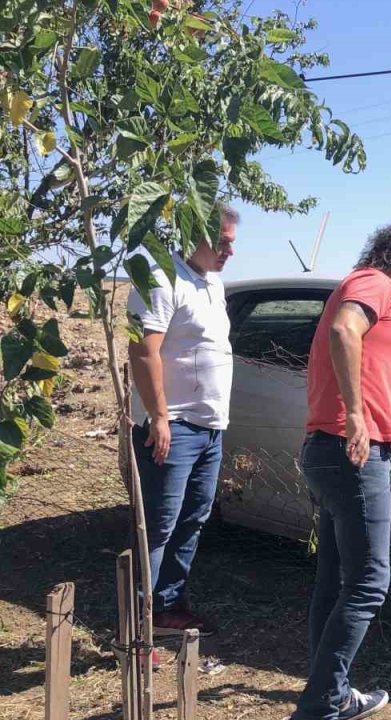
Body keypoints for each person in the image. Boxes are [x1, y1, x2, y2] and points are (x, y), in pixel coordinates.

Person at [292, 223, 391, 720]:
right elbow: (343, 330)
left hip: (339, 450)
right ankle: (320, 707)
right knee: (370, 582)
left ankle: (331, 694)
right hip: (347, 449)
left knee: (336, 581)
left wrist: (387, 447)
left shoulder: (368, 288)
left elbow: (363, 365)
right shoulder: (374, 283)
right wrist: (358, 419)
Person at [127, 204, 239, 637]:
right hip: (172, 427)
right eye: (223, 242)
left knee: (193, 517)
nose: (231, 250)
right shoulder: (160, 278)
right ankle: (137, 626)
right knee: (157, 525)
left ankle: (168, 607)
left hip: (209, 427)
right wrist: (158, 417)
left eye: (232, 242)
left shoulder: (213, 283)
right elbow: (143, 351)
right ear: (195, 234)